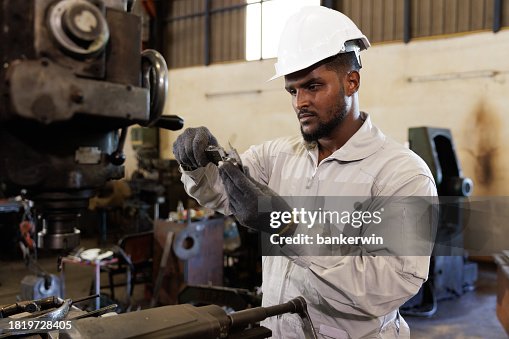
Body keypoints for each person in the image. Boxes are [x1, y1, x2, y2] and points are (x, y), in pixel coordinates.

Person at [172, 6, 437, 339]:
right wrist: (197, 165)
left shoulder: (402, 174)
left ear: (351, 81)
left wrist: (289, 226)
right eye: (293, 90)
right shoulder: (277, 155)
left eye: (313, 86)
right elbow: (222, 194)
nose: (300, 102)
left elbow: (389, 283)